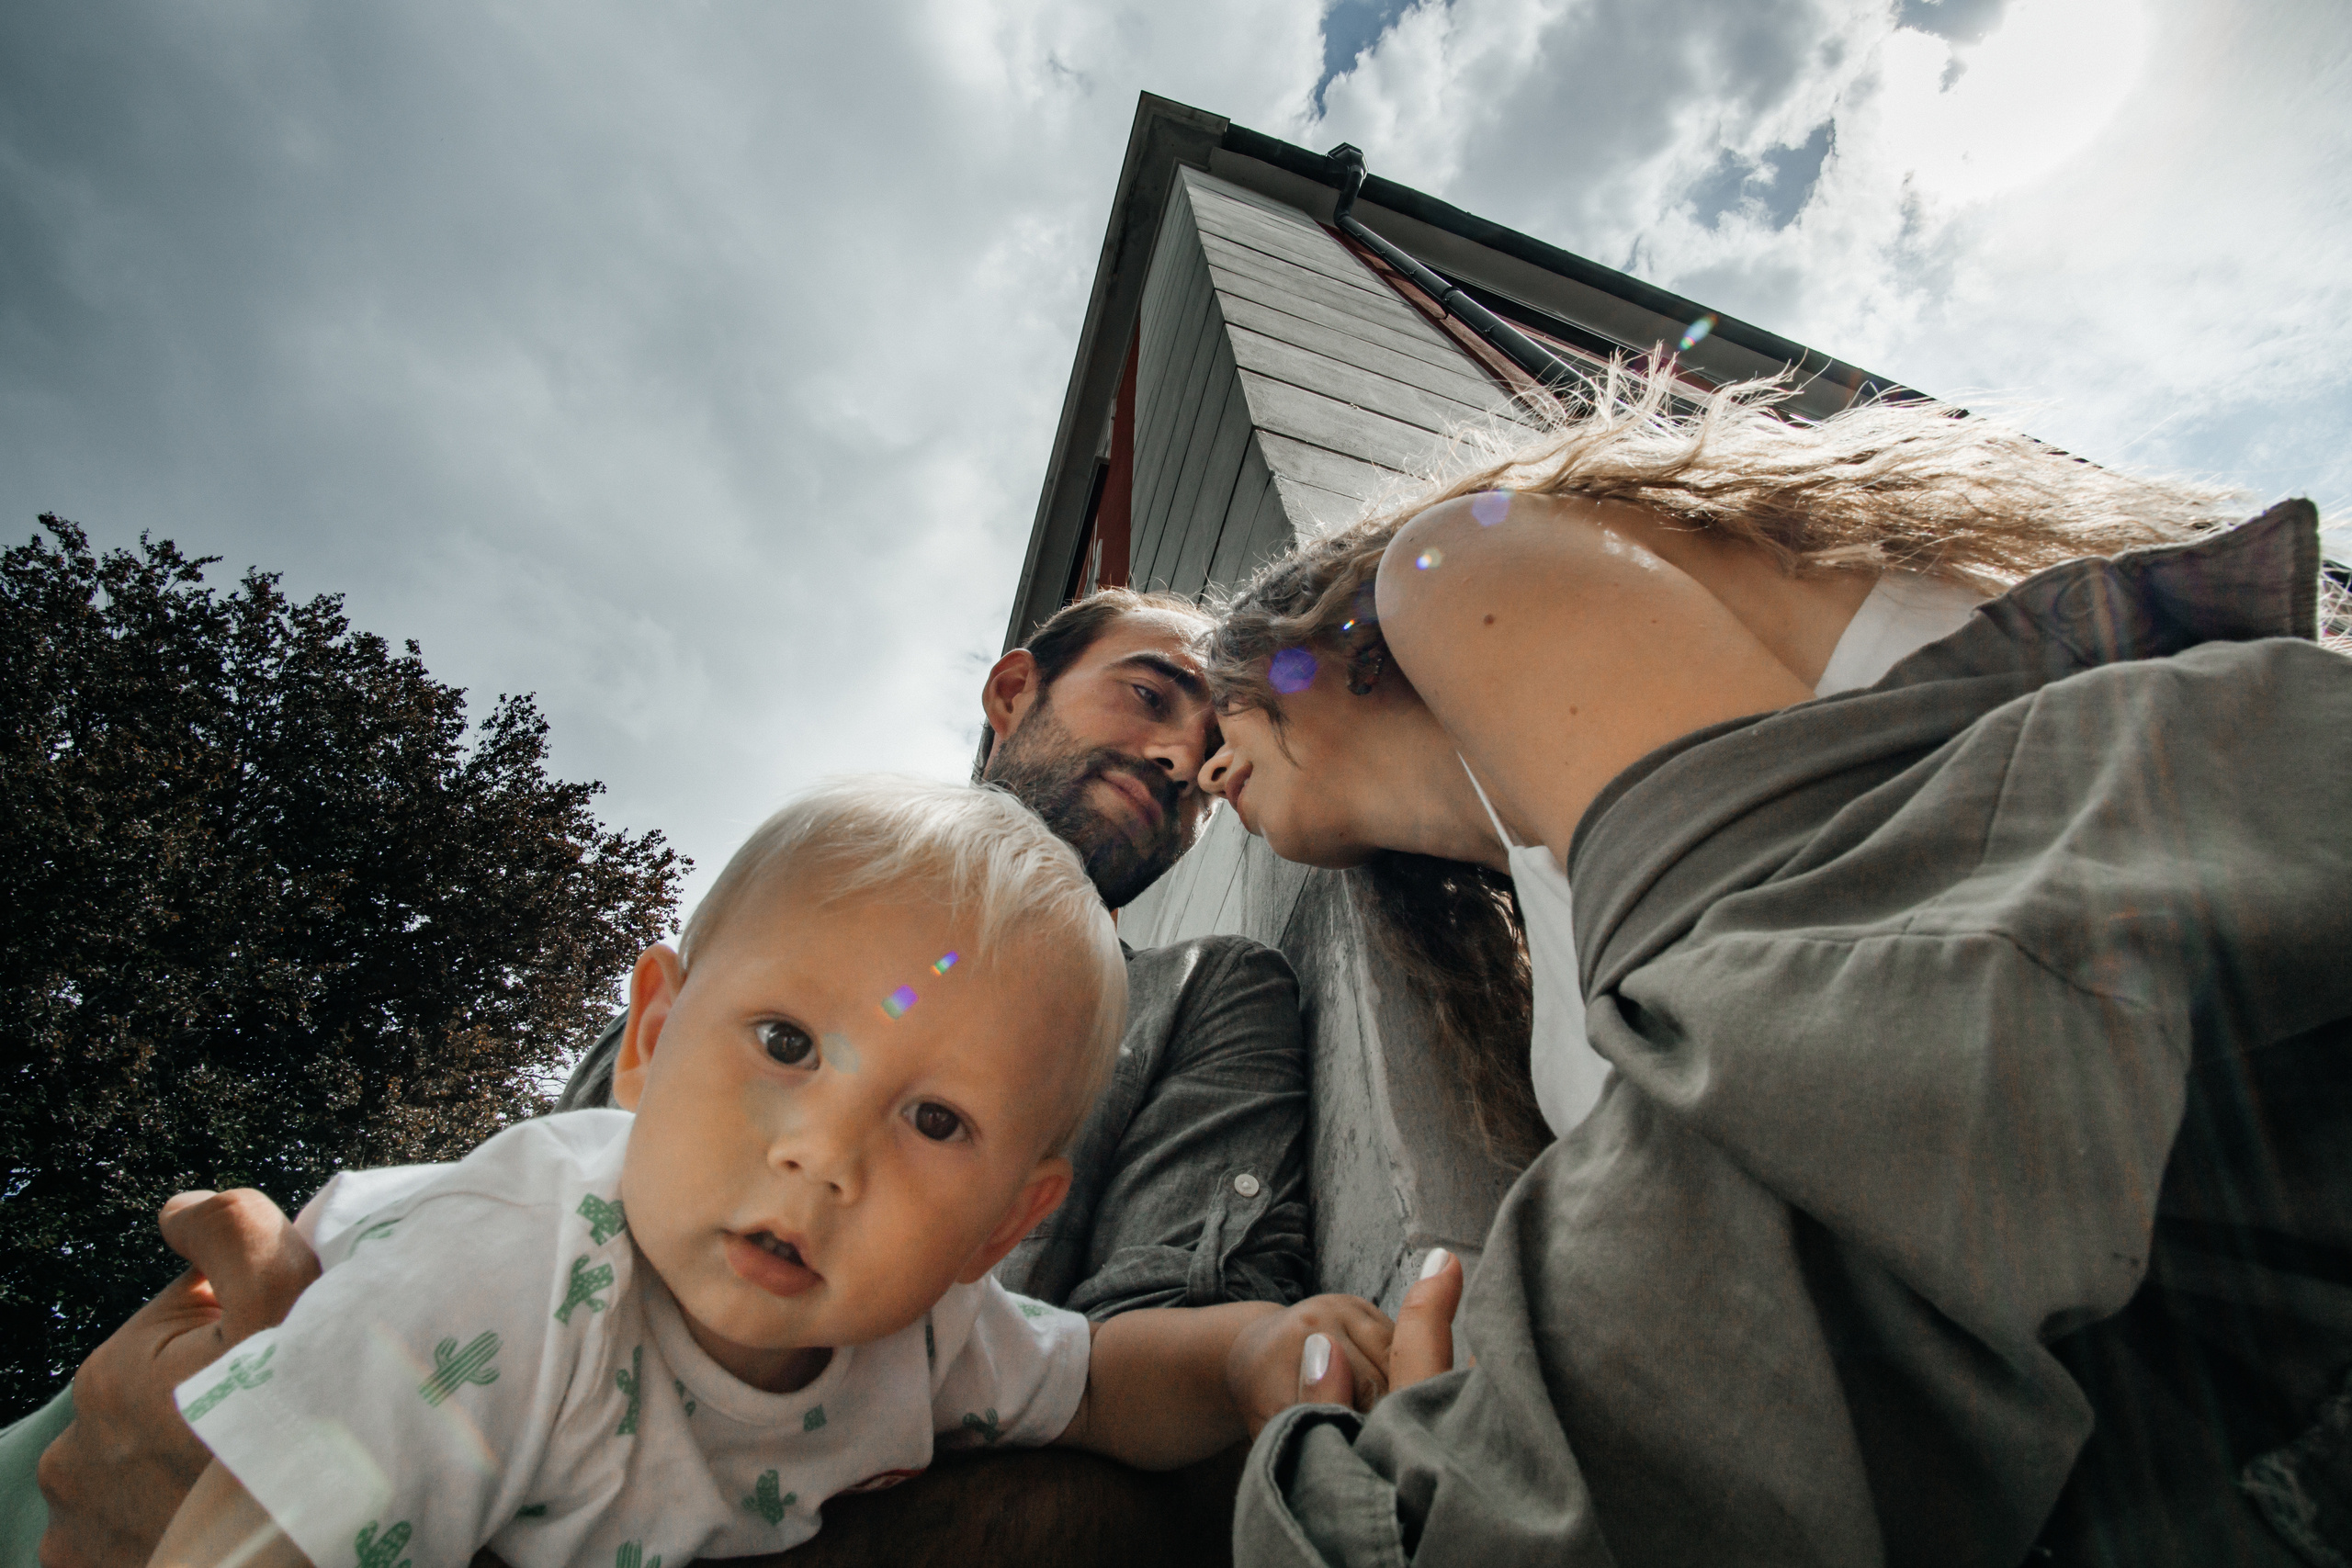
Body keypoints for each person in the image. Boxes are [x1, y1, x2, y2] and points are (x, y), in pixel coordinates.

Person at [1194, 364, 2352, 1567]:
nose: (1197, 763)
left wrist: (1420, 1508)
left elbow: (1838, 1113)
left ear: (1312, 636)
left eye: (1214, 701)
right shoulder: (1552, 891)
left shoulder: (1455, 568)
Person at [24, 588, 1317, 1568]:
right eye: (1151, 696)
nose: (821, 1149)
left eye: (937, 1119)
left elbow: (1109, 1391)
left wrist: (1258, 1350)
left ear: (1010, 1220)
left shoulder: (1204, 1003)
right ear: (656, 1035)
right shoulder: (519, 1256)